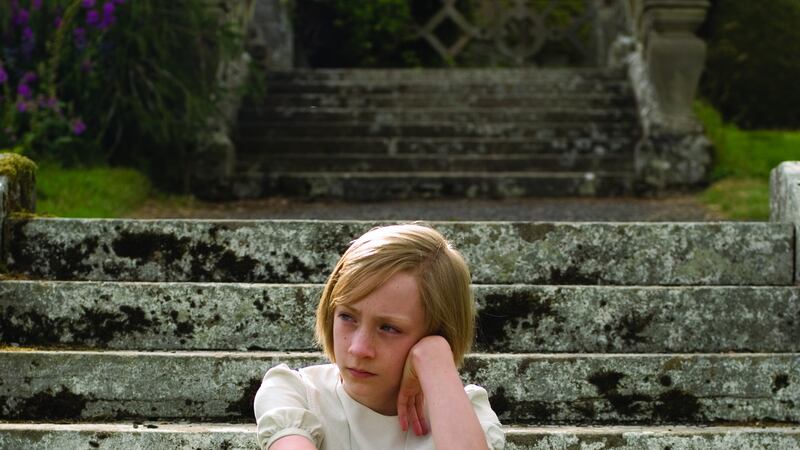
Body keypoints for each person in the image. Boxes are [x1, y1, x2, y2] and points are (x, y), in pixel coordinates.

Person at [254, 223, 505, 450]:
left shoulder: (465, 412)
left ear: (437, 332)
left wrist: (435, 357)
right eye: (347, 317)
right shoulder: (296, 393)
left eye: (389, 328)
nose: (358, 349)